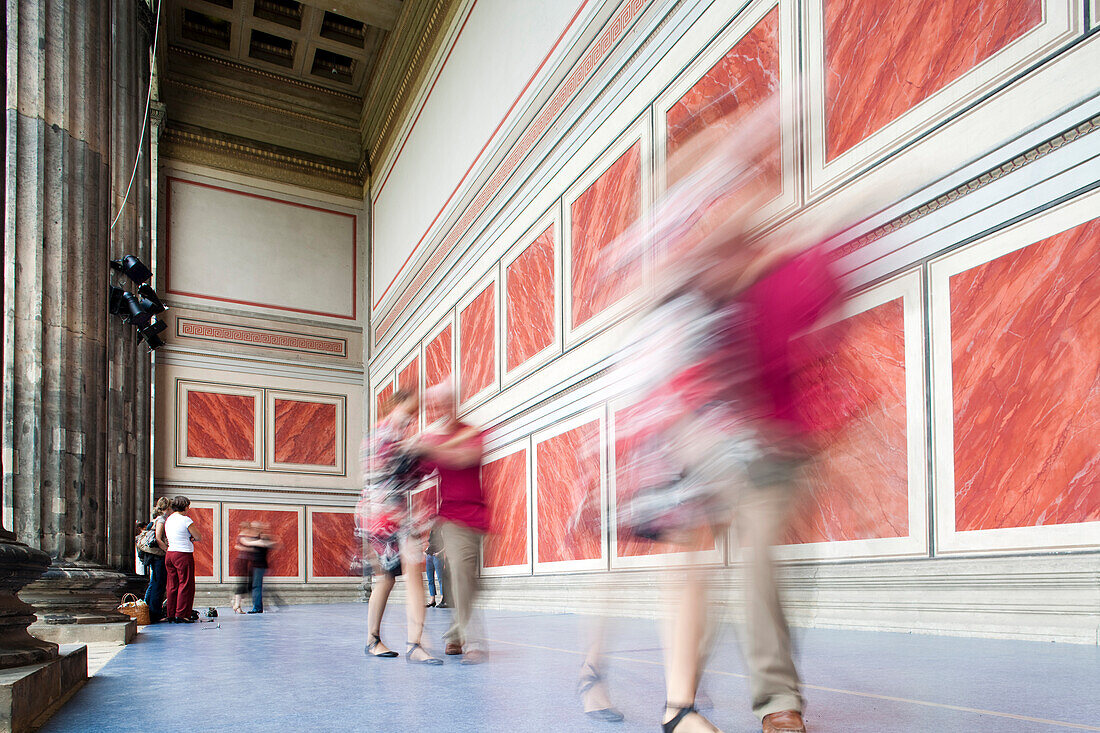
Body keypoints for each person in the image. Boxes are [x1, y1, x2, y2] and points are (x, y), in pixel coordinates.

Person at [606, 105, 838, 733]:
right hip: (684, 417)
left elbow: (764, 274)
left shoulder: (734, 232)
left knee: (728, 557)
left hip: (733, 417)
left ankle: (746, 698)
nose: (722, 172)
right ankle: (680, 701)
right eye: (707, 159)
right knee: (687, 559)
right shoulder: (666, 233)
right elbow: (655, 288)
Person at [358, 390, 441, 665]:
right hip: (385, 515)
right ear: (396, 405)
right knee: (411, 573)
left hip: (380, 514)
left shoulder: (387, 434)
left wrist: (418, 459)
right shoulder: (383, 434)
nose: (411, 416)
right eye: (410, 409)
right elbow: (393, 468)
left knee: (388, 579)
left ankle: (374, 640)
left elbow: (404, 475)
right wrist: (419, 450)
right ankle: (414, 643)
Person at [412, 385, 488, 664]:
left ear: (455, 404)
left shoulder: (472, 433)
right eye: (437, 405)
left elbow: (465, 458)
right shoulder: (436, 437)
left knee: (465, 578)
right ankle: (467, 637)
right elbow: (418, 472)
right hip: (450, 520)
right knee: (457, 575)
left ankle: (462, 635)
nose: (442, 408)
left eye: (447, 402)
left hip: (476, 518)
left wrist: (434, 448)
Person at [163, 495, 201, 624]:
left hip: (170, 553)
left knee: (172, 585)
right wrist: (192, 538)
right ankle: (182, 614)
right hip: (183, 553)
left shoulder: (169, 519)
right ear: (185, 506)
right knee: (185, 584)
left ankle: (171, 614)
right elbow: (198, 536)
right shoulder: (185, 520)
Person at [142, 498, 171, 622]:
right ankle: (154, 614)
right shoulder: (161, 520)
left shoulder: (155, 519)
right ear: (168, 507)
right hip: (158, 556)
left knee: (154, 583)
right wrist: (168, 551)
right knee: (158, 584)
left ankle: (147, 610)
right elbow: (158, 539)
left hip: (154, 556)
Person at [247, 522, 278, 614]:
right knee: (256, 587)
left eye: (255, 527)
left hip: (259, 566)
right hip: (256, 565)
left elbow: (266, 544)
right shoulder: (257, 538)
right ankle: (257, 607)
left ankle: (257, 608)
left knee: (257, 587)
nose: (253, 529)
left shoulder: (263, 538)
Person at [231, 522, 258, 614]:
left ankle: (236, 603)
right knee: (242, 584)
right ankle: (236, 604)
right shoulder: (242, 536)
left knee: (247, 585)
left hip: (247, 562)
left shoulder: (246, 536)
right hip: (242, 562)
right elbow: (247, 544)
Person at [424, 528, 443, 608]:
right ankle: (432, 600)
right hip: (429, 556)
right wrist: (426, 551)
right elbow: (431, 544)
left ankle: (442, 599)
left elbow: (447, 544)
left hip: (437, 556)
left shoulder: (441, 530)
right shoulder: (431, 531)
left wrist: (439, 553)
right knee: (430, 579)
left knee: (440, 578)